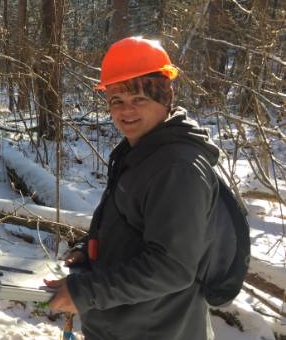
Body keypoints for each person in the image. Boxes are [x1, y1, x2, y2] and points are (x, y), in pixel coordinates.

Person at [45, 36, 219, 340]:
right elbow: (132, 226)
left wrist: (87, 292)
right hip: (123, 326)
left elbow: (171, 267)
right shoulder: (141, 151)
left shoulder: (177, 169)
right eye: (117, 101)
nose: (127, 111)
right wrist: (90, 251)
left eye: (139, 100)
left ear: (165, 98)